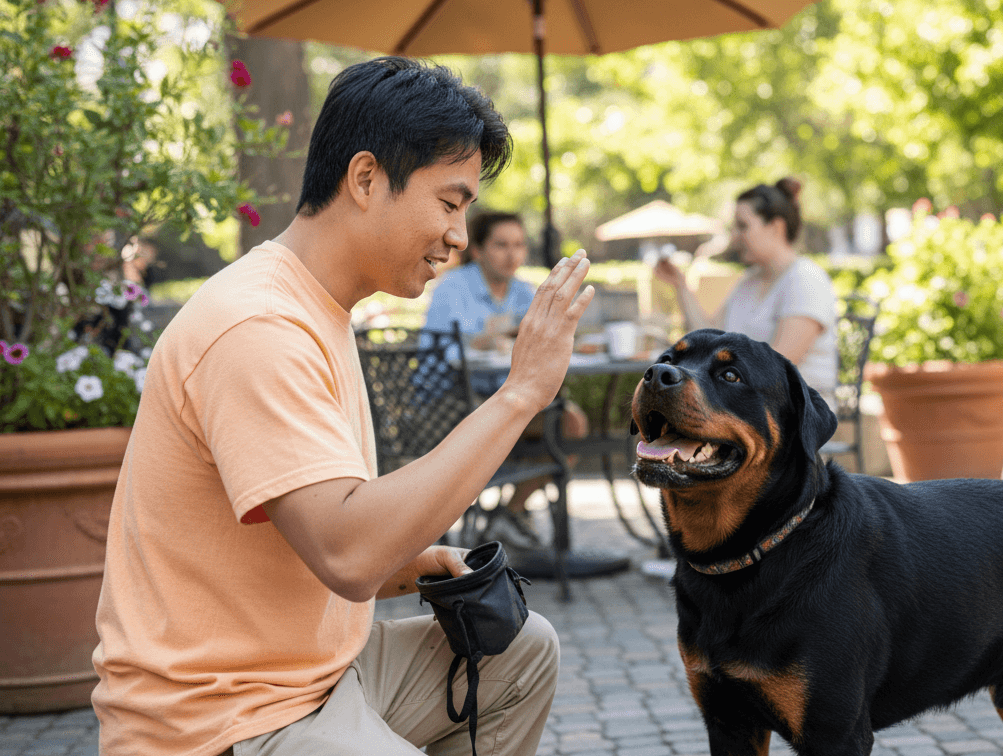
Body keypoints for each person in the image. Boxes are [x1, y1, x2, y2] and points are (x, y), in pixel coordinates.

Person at [92, 57, 595, 756]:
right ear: (365, 179)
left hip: (318, 676)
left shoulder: (321, 308)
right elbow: (347, 552)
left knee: (521, 651)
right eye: (450, 204)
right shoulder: (258, 325)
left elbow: (314, 534)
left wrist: (418, 562)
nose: (459, 235)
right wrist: (522, 393)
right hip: (222, 717)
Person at [421, 211, 592, 558]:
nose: (512, 255)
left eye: (518, 245)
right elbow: (432, 354)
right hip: (450, 405)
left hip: (503, 400)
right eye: (501, 245)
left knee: (570, 422)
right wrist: (480, 341)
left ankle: (510, 511)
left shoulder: (525, 292)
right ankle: (504, 518)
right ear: (478, 250)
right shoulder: (452, 288)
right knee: (554, 420)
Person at [653, 177, 838, 405]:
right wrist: (680, 285)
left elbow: (777, 371)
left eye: (743, 226)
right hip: (746, 405)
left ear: (775, 227)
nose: (734, 237)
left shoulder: (806, 280)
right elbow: (707, 338)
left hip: (795, 415)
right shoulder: (748, 282)